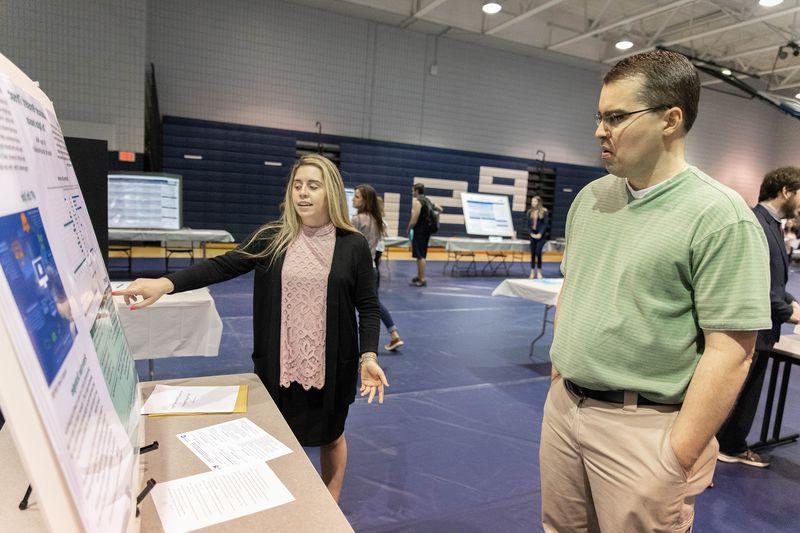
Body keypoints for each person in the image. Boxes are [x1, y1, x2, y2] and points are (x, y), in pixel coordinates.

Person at [540, 50, 770, 531]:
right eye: (600, 117)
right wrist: (561, 382)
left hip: (645, 430)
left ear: (671, 120)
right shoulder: (592, 198)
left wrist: (676, 454)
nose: (599, 130)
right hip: (565, 413)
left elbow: (731, 350)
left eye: (616, 117)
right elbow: (574, 290)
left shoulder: (719, 216)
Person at [113, 154, 389, 502]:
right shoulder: (272, 237)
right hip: (279, 366)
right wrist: (165, 284)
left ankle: (330, 501)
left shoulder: (353, 246)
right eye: (298, 185)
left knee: (331, 436)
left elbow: (367, 305)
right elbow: (221, 267)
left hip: (331, 368)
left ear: (330, 192)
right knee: (276, 435)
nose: (303, 193)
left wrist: (368, 356)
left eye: (313, 186)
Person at [716, 167, 800, 468]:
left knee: (746, 392)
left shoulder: (772, 225)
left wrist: (793, 303)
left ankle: (731, 443)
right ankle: (727, 445)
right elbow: (757, 288)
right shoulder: (756, 224)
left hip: (765, 327)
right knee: (736, 393)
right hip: (751, 327)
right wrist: (791, 313)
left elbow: (775, 283)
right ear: (787, 191)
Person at [351, 184, 405, 351]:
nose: (353, 199)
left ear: (365, 200)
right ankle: (394, 333)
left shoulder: (356, 220)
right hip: (372, 269)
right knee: (373, 305)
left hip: (356, 270)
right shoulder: (378, 221)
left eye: (357, 196)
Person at [407, 183, 441, 287]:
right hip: (426, 231)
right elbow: (440, 209)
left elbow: (414, 218)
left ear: (417, 190)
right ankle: (419, 276)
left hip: (419, 231)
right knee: (421, 255)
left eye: (413, 190)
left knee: (420, 256)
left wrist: (409, 228)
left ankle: (422, 279)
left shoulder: (417, 202)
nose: (412, 192)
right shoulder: (427, 200)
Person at [526, 196, 551, 279]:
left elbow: (545, 224)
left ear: (539, 202)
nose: (533, 203)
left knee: (538, 252)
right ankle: (532, 272)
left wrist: (540, 233)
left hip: (540, 236)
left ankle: (539, 272)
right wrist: (531, 233)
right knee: (533, 253)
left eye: (535, 201)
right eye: (532, 201)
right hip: (533, 235)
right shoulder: (530, 212)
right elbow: (527, 225)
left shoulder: (544, 211)